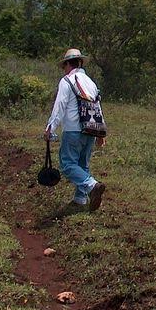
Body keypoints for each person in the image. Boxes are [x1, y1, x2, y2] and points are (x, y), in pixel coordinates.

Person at [44, 48, 106, 214]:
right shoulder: (91, 83)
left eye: (64, 65)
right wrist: (102, 131)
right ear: (80, 63)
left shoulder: (67, 81)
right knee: (82, 164)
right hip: (92, 128)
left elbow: (59, 106)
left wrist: (50, 127)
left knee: (67, 164)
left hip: (73, 129)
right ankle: (80, 199)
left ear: (68, 64)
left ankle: (92, 186)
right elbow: (97, 106)